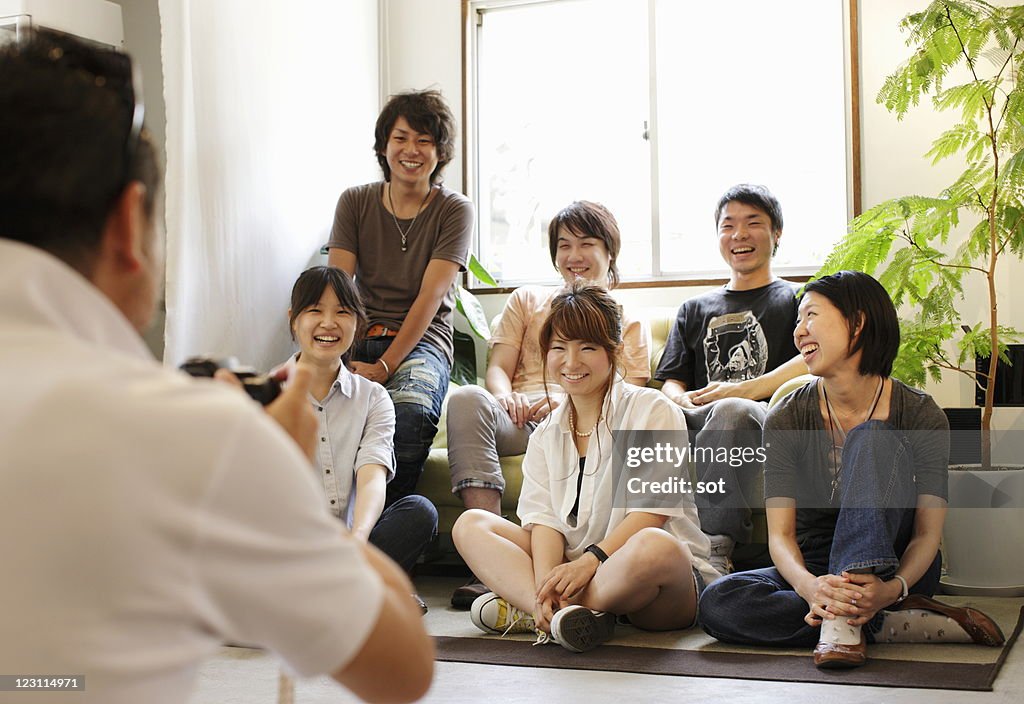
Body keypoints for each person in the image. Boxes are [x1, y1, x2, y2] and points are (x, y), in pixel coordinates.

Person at [0, 30, 432, 703]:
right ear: (127, 227)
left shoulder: (355, 399)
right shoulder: (194, 430)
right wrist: (281, 489)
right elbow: (403, 669)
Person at [697, 271, 1004, 668]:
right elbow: (782, 537)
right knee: (719, 603)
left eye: (811, 316)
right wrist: (810, 589)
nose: (798, 332)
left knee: (873, 437)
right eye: (797, 321)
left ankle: (849, 624)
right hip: (815, 564)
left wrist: (893, 588)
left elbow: (928, 533)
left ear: (858, 323)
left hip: (892, 564)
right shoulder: (787, 417)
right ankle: (887, 625)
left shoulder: (920, 414)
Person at [452, 282, 720, 653]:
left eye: (587, 348)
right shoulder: (546, 432)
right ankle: (552, 611)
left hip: (653, 587)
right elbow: (544, 523)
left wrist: (591, 561)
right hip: (576, 570)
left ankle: (541, 609)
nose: (571, 362)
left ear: (614, 351)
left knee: (655, 545)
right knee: (471, 524)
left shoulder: (652, 409)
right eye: (559, 348)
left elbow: (652, 512)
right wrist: (548, 581)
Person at [446, 200, 651, 609]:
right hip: (521, 417)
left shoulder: (624, 321)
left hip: (586, 419)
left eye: (586, 243)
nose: (573, 255)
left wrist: (565, 399)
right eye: (563, 245)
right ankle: (513, 586)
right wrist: (508, 398)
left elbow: (628, 390)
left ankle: (532, 598)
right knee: (468, 398)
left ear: (610, 252)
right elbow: (497, 368)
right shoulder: (527, 301)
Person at [327, 89, 473, 507]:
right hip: (358, 332)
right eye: (401, 138)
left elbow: (431, 296)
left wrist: (385, 366)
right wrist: (332, 357)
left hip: (422, 342)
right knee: (315, 406)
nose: (412, 150)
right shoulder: (355, 202)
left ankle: (385, 532)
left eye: (424, 141)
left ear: (440, 152)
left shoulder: (454, 210)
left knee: (408, 414)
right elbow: (338, 285)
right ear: (383, 146)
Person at [655, 184, 807, 572]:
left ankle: (715, 550)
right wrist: (678, 400)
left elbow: (812, 361)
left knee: (733, 409)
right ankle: (627, 541)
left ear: (776, 234)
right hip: (696, 416)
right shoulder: (694, 308)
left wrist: (743, 389)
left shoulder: (797, 299)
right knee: (642, 412)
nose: (739, 234)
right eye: (728, 225)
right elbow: (672, 378)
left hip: (758, 417)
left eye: (753, 223)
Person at [278, 266, 438, 608]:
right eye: (315, 311)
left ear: (357, 323)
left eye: (342, 312)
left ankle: (338, 592)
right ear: (294, 319)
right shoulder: (268, 393)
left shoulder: (374, 398)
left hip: (352, 544)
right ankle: (363, 594)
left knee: (419, 512)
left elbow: (372, 478)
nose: (328, 323)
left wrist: (359, 539)